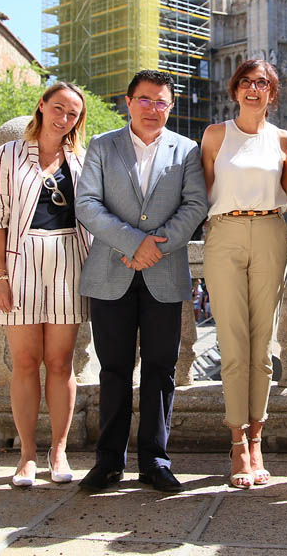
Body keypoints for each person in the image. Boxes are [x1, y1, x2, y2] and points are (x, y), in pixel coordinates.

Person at [75, 69, 208, 493]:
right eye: (145, 100)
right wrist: (135, 243)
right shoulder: (101, 145)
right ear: (128, 102)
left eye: (162, 102)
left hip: (164, 274)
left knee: (161, 370)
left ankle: (155, 459)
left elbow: (195, 205)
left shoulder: (186, 150)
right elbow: (87, 204)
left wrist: (156, 247)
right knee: (112, 369)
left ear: (171, 107)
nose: (153, 109)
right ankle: (108, 461)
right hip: (111, 271)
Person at [0, 81, 92, 487]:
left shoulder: (81, 159)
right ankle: (27, 455)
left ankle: (59, 450)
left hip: (68, 259)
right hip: (20, 259)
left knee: (62, 362)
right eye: (59, 108)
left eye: (73, 114)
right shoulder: (7, 154)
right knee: (26, 361)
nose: (65, 118)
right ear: (42, 106)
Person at [201, 59, 287, 489]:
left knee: (265, 343)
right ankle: (237, 441)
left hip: (271, 231)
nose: (253, 89)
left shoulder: (283, 140)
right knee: (233, 341)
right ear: (235, 90)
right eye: (246, 82)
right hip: (225, 232)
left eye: (262, 84)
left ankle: (257, 437)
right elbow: (202, 191)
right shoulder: (215, 135)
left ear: (272, 93)